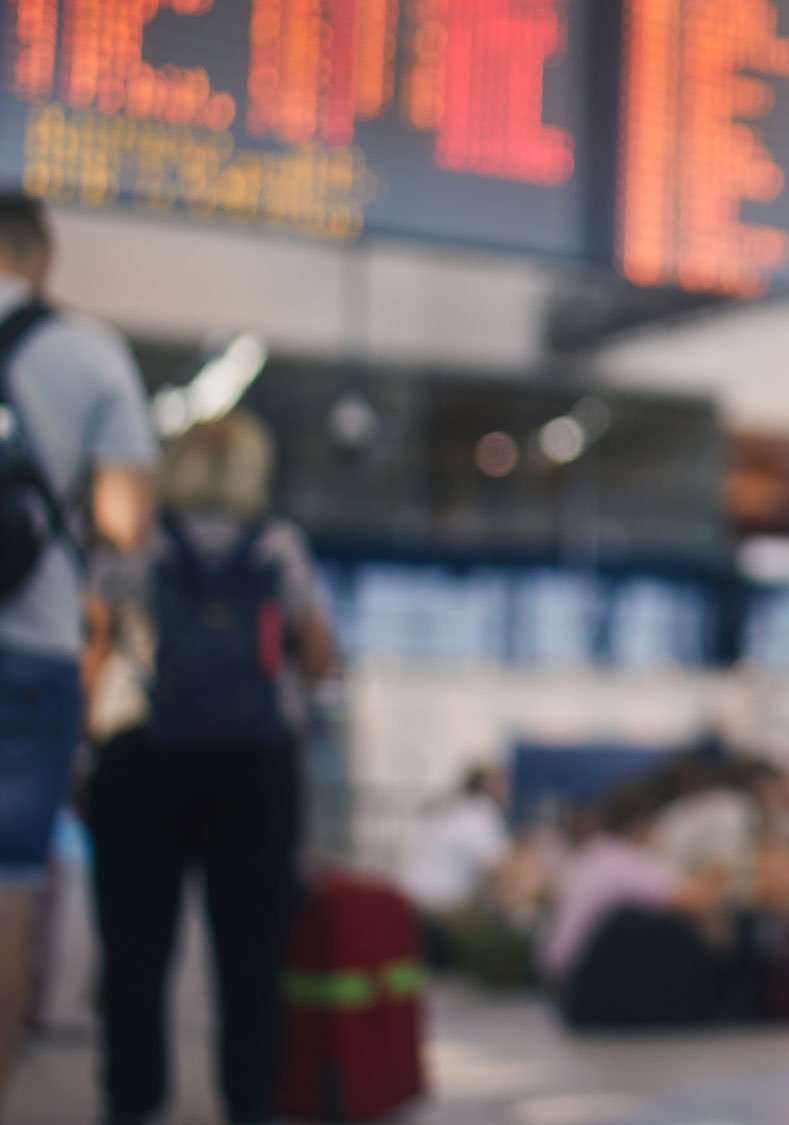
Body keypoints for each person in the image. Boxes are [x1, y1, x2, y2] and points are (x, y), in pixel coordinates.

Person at [84, 413, 338, 1125]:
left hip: (144, 759)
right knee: (252, 959)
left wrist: (83, 748)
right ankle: (249, 1103)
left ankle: (132, 1101)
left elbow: (95, 646)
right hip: (255, 768)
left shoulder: (141, 543)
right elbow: (317, 658)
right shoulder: (281, 548)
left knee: (134, 952)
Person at [0, 194, 155, 1113]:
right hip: (34, 652)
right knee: (12, 889)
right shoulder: (91, 353)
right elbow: (125, 526)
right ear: (43, 258)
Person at [539, 787, 735, 1028]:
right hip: (583, 983)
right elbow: (693, 899)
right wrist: (726, 866)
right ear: (642, 825)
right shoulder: (626, 861)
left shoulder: (595, 853)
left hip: (561, 978)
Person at [402, 764, 511, 964]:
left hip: (412, 902)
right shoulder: (481, 813)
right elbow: (498, 871)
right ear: (488, 786)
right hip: (442, 908)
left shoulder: (450, 808)